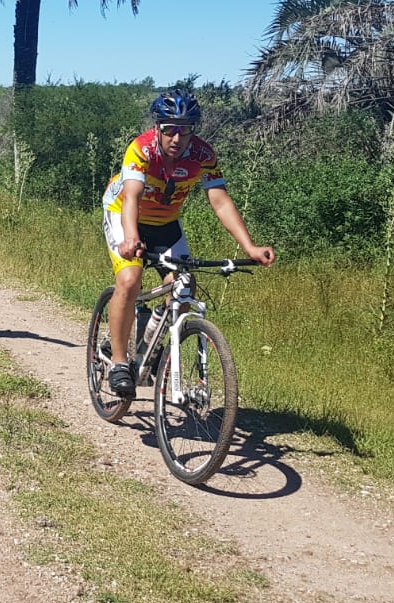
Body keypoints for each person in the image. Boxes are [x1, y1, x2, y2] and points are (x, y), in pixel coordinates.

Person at [101, 90, 275, 398]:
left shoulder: (203, 156)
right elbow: (131, 197)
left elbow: (219, 201)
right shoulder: (141, 150)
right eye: (169, 128)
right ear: (158, 127)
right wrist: (131, 238)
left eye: (185, 129)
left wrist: (249, 247)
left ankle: (152, 338)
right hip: (125, 215)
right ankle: (118, 362)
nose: (177, 137)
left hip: (166, 223)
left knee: (185, 287)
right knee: (130, 279)